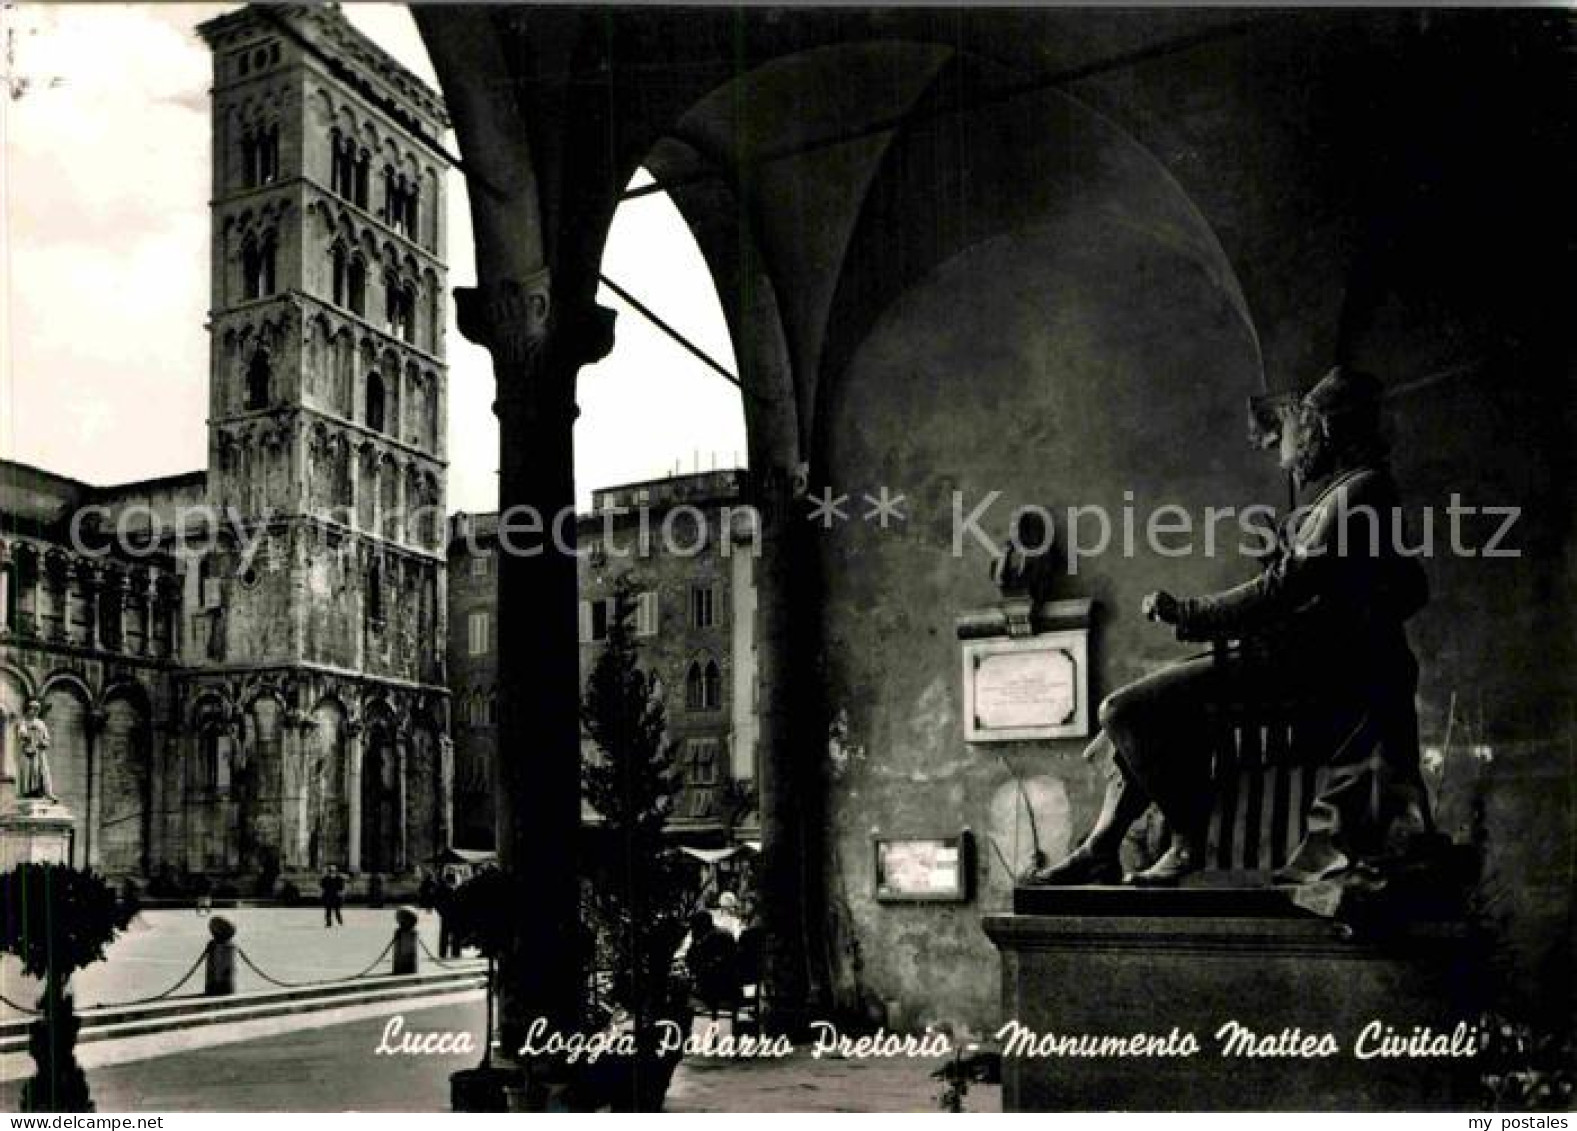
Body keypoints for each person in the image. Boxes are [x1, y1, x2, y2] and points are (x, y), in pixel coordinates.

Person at [1026, 366, 1434, 888]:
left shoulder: (1358, 495)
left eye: (1297, 435)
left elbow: (1280, 591)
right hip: (1299, 661)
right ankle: (1101, 848)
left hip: (1317, 678)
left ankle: (1188, 840)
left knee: (1124, 710)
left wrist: (1186, 612)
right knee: (1132, 716)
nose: (1290, 453)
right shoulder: (1351, 495)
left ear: (1327, 431)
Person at [684, 910, 739, 1016]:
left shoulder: (708, 939)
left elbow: (691, 960)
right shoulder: (724, 933)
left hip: (716, 987)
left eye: (694, 927)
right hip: (732, 985)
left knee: (682, 990)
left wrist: (695, 943)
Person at [15, 699, 55, 802]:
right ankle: (29, 792)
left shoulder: (41, 723)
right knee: (29, 772)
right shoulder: (24, 722)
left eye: (37, 709)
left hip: (39, 752)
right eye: (32, 708)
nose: (34, 711)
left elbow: (47, 738)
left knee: (43, 772)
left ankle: (46, 792)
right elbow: (22, 734)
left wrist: (44, 742)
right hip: (27, 752)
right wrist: (28, 737)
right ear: (28, 709)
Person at [436, 871, 461, 958]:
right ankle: (455, 952)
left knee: (446, 935)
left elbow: (438, 903)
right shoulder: (455, 890)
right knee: (453, 935)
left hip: (448, 915)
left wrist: (441, 912)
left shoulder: (443, 889)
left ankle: (444, 953)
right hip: (452, 915)